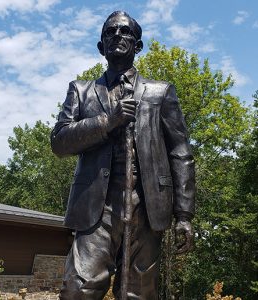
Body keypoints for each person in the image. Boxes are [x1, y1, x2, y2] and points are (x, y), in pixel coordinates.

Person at [51, 11, 195, 300]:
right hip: (95, 207)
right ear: (101, 46)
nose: (118, 35)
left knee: (138, 293)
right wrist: (108, 122)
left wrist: (184, 215)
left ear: (138, 45)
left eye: (126, 31)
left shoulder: (161, 92)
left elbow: (180, 152)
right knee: (78, 289)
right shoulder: (81, 91)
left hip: (147, 205)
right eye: (110, 32)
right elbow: (60, 142)